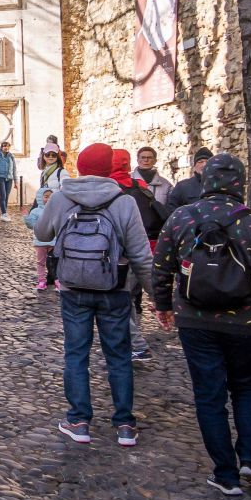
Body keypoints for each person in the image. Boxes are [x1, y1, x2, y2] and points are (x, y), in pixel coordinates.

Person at [152, 153, 251, 496]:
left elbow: (161, 268)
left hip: (195, 319)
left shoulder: (181, 217)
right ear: (240, 183)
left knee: (209, 396)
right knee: (247, 386)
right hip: (248, 320)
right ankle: (250, 458)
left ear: (206, 182)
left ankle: (225, 473)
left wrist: (163, 306)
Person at [34, 142, 155, 447]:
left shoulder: (63, 197)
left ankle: (78, 420)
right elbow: (141, 255)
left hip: (73, 288)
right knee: (118, 355)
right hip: (115, 288)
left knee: (76, 354)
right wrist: (158, 297)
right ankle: (125, 424)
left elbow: (43, 233)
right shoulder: (123, 201)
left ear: (81, 167)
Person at [111, 149, 169, 363]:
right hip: (146, 245)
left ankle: (137, 345)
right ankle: (134, 342)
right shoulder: (140, 186)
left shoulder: (111, 188)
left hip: (121, 252)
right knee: (126, 298)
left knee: (120, 300)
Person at [22, 187, 55, 290]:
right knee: (41, 262)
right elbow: (32, 225)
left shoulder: (56, 210)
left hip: (54, 242)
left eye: (51, 197)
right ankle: (41, 281)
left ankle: (57, 281)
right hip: (40, 242)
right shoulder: (35, 211)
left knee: (55, 262)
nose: (48, 199)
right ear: (40, 198)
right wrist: (26, 217)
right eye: (46, 197)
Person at [0, 140, 18, 221]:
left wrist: (16, 181)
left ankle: (4, 213)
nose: (6, 147)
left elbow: (14, 169)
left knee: (6, 196)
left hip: (9, 179)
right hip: (0, 178)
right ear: (1, 147)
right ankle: (4, 213)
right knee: (3, 195)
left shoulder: (11, 156)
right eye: (4, 146)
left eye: (7, 146)